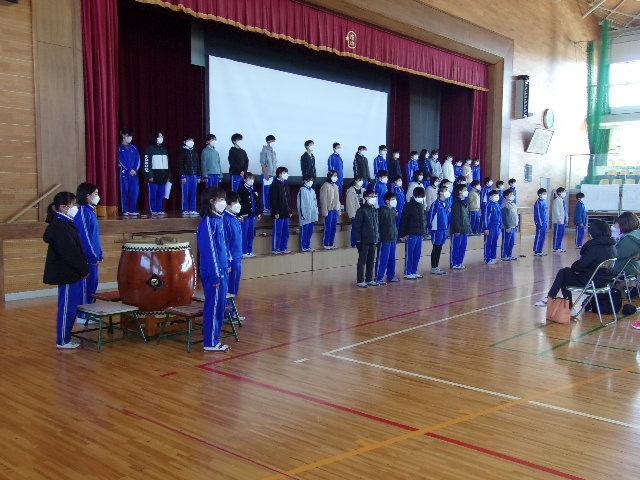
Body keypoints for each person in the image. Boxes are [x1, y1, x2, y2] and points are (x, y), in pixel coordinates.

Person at [535, 219, 616, 314]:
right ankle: (564, 305)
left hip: (592, 282)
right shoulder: (612, 246)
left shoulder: (594, 247)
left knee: (564, 273)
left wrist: (574, 267)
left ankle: (552, 299)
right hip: (605, 281)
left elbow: (581, 265)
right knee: (565, 275)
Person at [43, 191, 89, 349]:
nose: (76, 207)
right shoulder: (61, 226)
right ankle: (63, 340)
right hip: (67, 273)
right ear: (63, 207)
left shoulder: (65, 223)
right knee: (67, 308)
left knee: (71, 306)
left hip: (72, 273)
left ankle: (66, 337)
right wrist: (84, 269)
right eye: (73, 205)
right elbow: (70, 253)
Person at [197, 187, 231, 352]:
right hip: (214, 273)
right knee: (214, 307)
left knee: (220, 307)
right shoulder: (208, 223)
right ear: (212, 201)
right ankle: (210, 342)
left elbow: (223, 245)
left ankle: (215, 338)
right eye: (221, 199)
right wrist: (216, 275)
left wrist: (227, 263)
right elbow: (209, 252)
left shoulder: (218, 219)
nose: (224, 202)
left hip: (222, 270)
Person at [74, 183, 103, 322]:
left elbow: (95, 236)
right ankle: (82, 315)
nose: (98, 196)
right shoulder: (83, 213)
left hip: (94, 257)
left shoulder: (91, 211)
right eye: (95, 194)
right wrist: (92, 256)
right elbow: (85, 238)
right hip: (87, 259)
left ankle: (89, 313)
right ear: (87, 196)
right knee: (86, 287)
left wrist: (100, 253)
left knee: (92, 286)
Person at [352, 189, 380, 287]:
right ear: (366, 198)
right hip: (364, 240)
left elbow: (376, 225)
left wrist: (377, 237)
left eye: (375, 196)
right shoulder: (361, 210)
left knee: (371, 260)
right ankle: (360, 280)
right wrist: (358, 239)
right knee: (362, 261)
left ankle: (369, 279)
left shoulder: (374, 209)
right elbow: (357, 226)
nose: (374, 198)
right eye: (371, 196)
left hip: (373, 239)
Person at [400, 187, 427, 279]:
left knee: (417, 253)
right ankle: (408, 272)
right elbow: (404, 220)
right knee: (410, 253)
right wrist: (403, 234)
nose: (421, 198)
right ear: (414, 196)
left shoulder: (421, 205)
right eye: (419, 196)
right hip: (411, 233)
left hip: (419, 233)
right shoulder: (408, 205)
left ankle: (414, 271)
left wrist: (423, 232)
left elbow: (423, 220)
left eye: (422, 196)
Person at [143, 131, 170, 216]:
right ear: (155, 138)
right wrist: (149, 175)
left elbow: (167, 164)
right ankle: (153, 209)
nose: (161, 138)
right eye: (159, 136)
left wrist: (168, 176)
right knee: (153, 194)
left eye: (162, 136)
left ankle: (159, 209)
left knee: (161, 194)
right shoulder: (150, 149)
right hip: (154, 176)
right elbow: (146, 163)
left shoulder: (164, 149)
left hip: (163, 177)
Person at [376, 191, 399, 284]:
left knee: (392, 258)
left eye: (395, 199)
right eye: (393, 199)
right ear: (387, 201)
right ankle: (379, 277)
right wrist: (378, 236)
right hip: (385, 238)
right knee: (383, 258)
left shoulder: (393, 210)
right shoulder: (381, 211)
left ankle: (391, 275)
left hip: (393, 237)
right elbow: (378, 224)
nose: (395, 201)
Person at [223, 191, 244, 299]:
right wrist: (228, 261)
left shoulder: (235, 218)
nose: (238, 205)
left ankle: (232, 306)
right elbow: (225, 242)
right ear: (227, 204)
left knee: (235, 286)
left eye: (238, 202)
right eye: (235, 202)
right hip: (231, 258)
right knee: (229, 287)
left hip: (238, 256)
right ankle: (227, 306)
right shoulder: (225, 220)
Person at [238, 172, 262, 258]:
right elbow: (238, 203)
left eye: (252, 179)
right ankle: (243, 251)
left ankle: (249, 250)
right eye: (249, 179)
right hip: (245, 215)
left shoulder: (254, 189)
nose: (251, 180)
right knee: (244, 233)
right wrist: (239, 215)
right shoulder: (241, 189)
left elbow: (258, 202)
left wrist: (259, 213)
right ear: (245, 180)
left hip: (253, 215)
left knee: (251, 234)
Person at [118, 128, 140, 216]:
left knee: (134, 192)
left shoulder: (134, 148)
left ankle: (133, 210)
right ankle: (125, 210)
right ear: (123, 136)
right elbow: (120, 160)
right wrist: (128, 169)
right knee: (125, 191)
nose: (130, 138)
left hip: (134, 174)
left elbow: (138, 160)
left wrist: (134, 169)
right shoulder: (119, 148)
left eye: (131, 136)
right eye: (128, 136)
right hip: (124, 173)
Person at [270, 167, 292, 254]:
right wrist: (275, 212)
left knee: (286, 232)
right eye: (284, 173)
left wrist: (290, 211)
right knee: (278, 232)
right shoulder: (275, 184)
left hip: (286, 212)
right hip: (278, 213)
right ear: (279, 174)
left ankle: (283, 248)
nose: (286, 174)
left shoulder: (285, 184)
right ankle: (276, 248)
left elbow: (288, 199)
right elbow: (273, 199)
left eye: (286, 172)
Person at [428, 185, 449, 275]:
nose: (447, 192)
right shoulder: (436, 203)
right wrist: (429, 228)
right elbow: (430, 215)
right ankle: (433, 267)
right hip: (436, 229)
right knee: (436, 248)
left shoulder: (446, 203)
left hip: (444, 229)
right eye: (445, 190)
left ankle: (436, 267)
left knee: (440, 248)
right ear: (441, 192)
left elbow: (447, 216)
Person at [611, 212, 640, 277]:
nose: (615, 225)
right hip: (635, 267)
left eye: (617, 223)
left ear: (623, 224)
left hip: (625, 270)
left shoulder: (629, 239)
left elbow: (615, 255)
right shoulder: (636, 235)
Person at [178, 134, 201, 215]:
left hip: (194, 176)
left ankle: (192, 209)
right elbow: (180, 165)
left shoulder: (195, 152)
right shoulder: (182, 152)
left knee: (193, 193)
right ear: (184, 142)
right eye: (189, 140)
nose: (191, 142)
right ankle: (185, 209)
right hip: (186, 176)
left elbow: (198, 165)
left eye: (192, 140)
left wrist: (198, 176)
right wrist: (182, 175)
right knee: (185, 193)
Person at [450, 184, 471, 270]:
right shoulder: (456, 203)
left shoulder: (465, 202)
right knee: (456, 247)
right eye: (464, 190)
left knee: (463, 247)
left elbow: (466, 216)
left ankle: (459, 262)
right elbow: (455, 218)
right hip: (458, 229)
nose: (466, 191)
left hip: (465, 228)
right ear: (459, 191)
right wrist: (457, 229)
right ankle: (454, 263)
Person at [320, 170, 341, 250]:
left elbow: (337, 199)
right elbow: (323, 200)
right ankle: (326, 243)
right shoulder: (325, 186)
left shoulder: (335, 186)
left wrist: (338, 209)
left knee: (333, 227)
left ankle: (331, 243)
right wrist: (324, 211)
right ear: (330, 176)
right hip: (328, 210)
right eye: (334, 176)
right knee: (328, 227)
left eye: (336, 176)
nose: (335, 177)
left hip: (335, 210)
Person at [297, 175, 319, 252]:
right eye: (309, 180)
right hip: (305, 216)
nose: (311, 182)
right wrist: (303, 215)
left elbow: (315, 203)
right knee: (304, 232)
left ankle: (307, 245)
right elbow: (300, 204)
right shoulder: (302, 190)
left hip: (312, 216)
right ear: (305, 181)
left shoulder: (312, 191)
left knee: (310, 231)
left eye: (312, 180)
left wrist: (316, 213)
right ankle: (303, 246)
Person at [483, 189, 502, 264]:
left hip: (497, 226)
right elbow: (486, 217)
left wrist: (500, 225)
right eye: (494, 195)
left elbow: (500, 216)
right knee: (489, 242)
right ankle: (487, 259)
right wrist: (486, 228)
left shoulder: (497, 204)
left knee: (494, 242)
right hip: (490, 226)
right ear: (490, 197)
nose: (496, 196)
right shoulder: (489, 205)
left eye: (497, 195)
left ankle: (493, 257)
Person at [346, 177, 365, 247]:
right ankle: (354, 243)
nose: (361, 181)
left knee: (363, 228)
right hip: (355, 213)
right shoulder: (351, 191)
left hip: (363, 212)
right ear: (356, 181)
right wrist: (352, 215)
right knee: (355, 228)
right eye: (360, 180)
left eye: (362, 180)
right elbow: (350, 204)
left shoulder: (363, 190)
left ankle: (361, 241)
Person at [260, 135, 277, 212]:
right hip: (266, 175)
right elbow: (263, 163)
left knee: (271, 192)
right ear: (268, 141)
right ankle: (265, 208)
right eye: (272, 141)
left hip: (273, 175)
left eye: (274, 141)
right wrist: (266, 174)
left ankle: (270, 208)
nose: (273, 142)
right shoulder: (264, 150)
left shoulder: (273, 151)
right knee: (266, 192)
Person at [501, 187, 518, 261]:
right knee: (506, 241)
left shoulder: (513, 204)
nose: (513, 196)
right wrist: (507, 226)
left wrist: (516, 224)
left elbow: (515, 215)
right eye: (511, 195)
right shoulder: (504, 204)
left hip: (513, 226)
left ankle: (509, 255)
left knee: (512, 242)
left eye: (513, 194)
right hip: (508, 226)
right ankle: (504, 256)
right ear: (506, 196)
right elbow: (504, 217)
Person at [533, 188, 549, 256]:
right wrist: (539, 223)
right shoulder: (538, 202)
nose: (545, 195)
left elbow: (545, 213)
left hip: (544, 222)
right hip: (540, 223)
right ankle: (536, 251)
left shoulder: (544, 202)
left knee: (542, 237)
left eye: (546, 194)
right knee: (539, 236)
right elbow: (538, 214)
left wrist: (546, 222)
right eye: (544, 194)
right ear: (540, 194)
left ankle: (540, 250)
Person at [552, 187, 567, 252]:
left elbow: (564, 211)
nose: (565, 193)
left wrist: (566, 218)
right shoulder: (557, 200)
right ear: (559, 192)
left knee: (561, 234)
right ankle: (556, 247)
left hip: (562, 220)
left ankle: (559, 247)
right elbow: (556, 211)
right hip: (558, 221)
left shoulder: (562, 200)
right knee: (557, 234)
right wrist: (559, 219)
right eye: (563, 192)